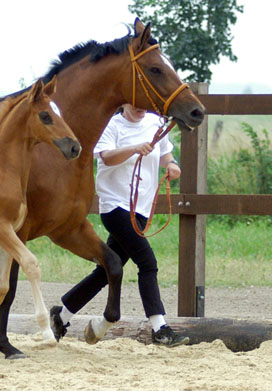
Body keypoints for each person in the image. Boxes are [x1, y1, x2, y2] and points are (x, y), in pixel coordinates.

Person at [50, 103, 189, 347]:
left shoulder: (155, 123)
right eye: (136, 105)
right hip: (116, 207)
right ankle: (160, 328)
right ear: (124, 103)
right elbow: (106, 157)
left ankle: (62, 315)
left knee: (106, 270)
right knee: (148, 263)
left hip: (141, 208)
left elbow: (165, 152)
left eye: (144, 106)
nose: (141, 109)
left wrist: (171, 164)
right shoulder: (111, 126)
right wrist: (134, 149)